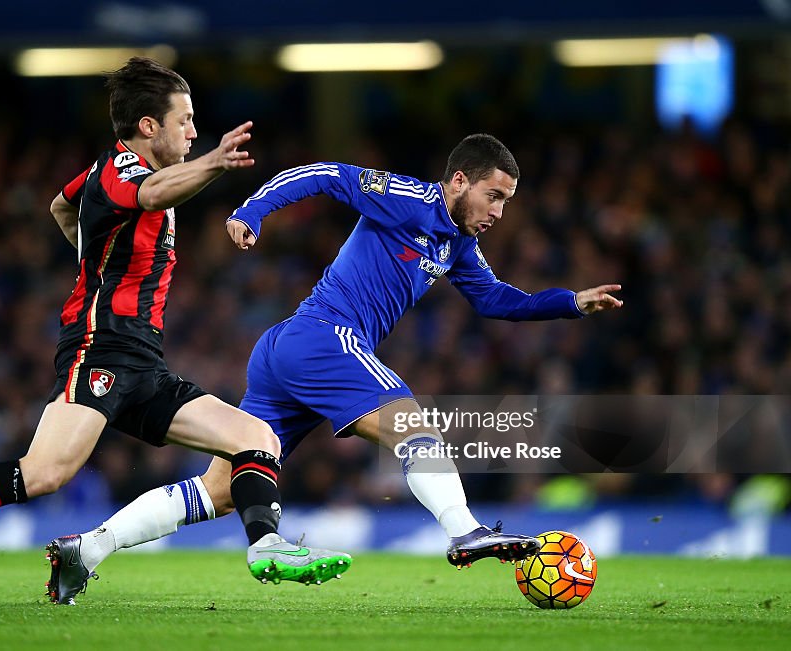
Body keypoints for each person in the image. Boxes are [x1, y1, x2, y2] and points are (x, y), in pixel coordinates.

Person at [0, 57, 350, 611]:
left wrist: (96, 260)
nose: (192, 131)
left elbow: (62, 205)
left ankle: (267, 547)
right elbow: (153, 194)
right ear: (147, 127)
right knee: (42, 474)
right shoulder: (121, 171)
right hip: (99, 350)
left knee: (257, 438)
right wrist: (212, 162)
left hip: (143, 361)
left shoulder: (99, 177)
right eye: (183, 121)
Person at [47, 133, 623, 604]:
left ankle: (86, 549)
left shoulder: (457, 246)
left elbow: (498, 300)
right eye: (493, 196)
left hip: (286, 352)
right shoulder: (408, 197)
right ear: (460, 181)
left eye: (507, 202)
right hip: (322, 337)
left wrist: (570, 302)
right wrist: (253, 210)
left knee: (221, 490)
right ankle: (463, 530)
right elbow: (323, 174)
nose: (499, 212)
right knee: (413, 426)